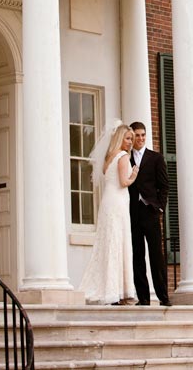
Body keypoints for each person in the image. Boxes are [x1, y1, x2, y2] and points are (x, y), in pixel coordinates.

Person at [78, 121, 139, 305]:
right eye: (128, 138)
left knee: (108, 242)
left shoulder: (109, 157)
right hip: (118, 202)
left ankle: (111, 287)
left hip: (108, 201)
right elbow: (123, 182)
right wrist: (134, 174)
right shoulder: (122, 157)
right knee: (117, 242)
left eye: (132, 139)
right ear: (120, 138)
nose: (130, 142)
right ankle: (117, 290)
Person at [128, 121, 172, 306]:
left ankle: (163, 296)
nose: (140, 138)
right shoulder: (125, 158)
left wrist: (160, 207)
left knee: (156, 256)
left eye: (143, 135)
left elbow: (164, 186)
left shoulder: (156, 158)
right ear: (132, 137)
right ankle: (143, 298)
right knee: (137, 255)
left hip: (151, 212)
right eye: (137, 135)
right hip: (132, 213)